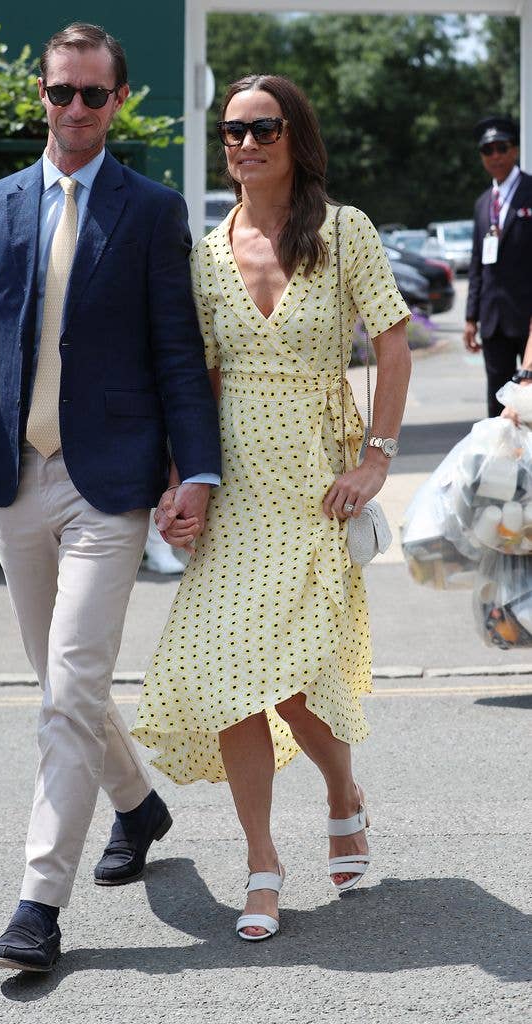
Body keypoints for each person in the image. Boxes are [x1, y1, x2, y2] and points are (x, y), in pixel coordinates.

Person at [0, 22, 221, 972]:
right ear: (38, 96)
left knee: (69, 688)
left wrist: (192, 471)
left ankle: (39, 902)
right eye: (57, 93)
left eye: (91, 94)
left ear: (118, 101)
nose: (72, 109)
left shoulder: (152, 210)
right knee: (63, 687)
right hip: (12, 480)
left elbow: (174, 353)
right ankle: (140, 803)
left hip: (107, 489)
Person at [132, 75, 411, 942]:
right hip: (237, 485)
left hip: (316, 481)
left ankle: (341, 791)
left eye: (263, 128)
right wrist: (185, 480)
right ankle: (261, 863)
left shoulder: (343, 230)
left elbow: (394, 344)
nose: (245, 143)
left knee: (291, 686)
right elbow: (198, 379)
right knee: (229, 677)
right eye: (232, 131)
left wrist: (377, 460)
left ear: (296, 137)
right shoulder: (208, 251)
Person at [464, 116, 532, 417]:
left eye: (501, 148)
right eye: (488, 150)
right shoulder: (482, 204)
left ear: (514, 150)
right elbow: (478, 263)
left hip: (528, 318)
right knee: (499, 405)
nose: (495, 156)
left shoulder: (530, 190)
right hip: (494, 319)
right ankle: (505, 463)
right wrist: (470, 317)